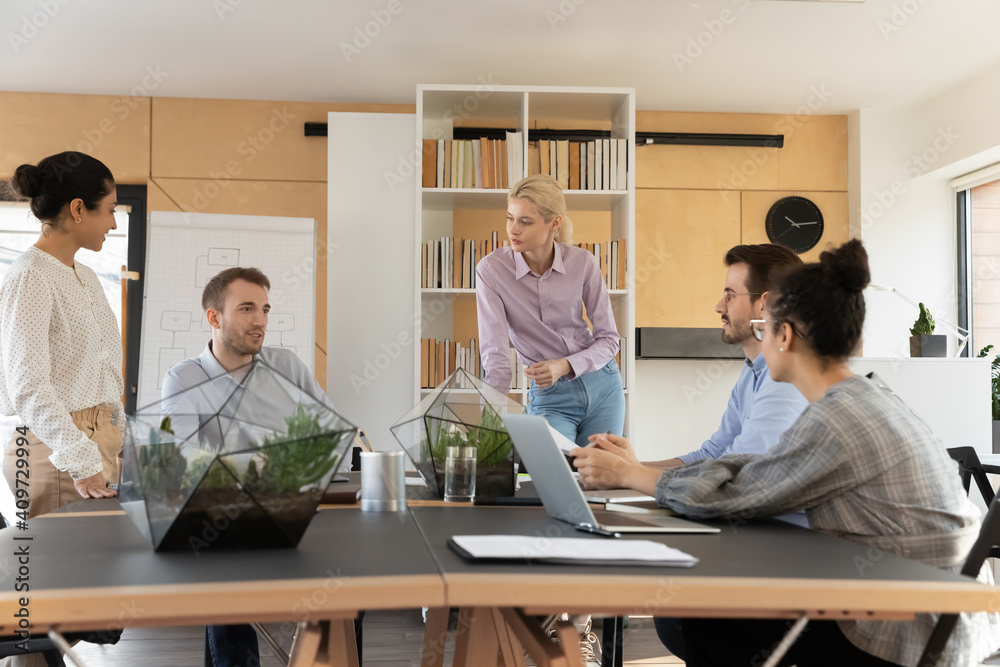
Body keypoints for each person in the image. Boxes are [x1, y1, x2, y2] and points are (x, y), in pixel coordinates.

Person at [572, 240, 997, 666]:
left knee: (700, 618)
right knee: (705, 615)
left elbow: (740, 491)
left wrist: (630, 475)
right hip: (925, 614)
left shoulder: (836, 418)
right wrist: (634, 470)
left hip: (907, 633)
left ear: (785, 335)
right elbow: (747, 467)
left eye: (766, 329)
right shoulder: (858, 398)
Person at [160, 267, 358, 667]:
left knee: (351, 585)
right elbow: (180, 461)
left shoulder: (287, 365)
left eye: (265, 310)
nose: (260, 321)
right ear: (214, 317)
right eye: (247, 308)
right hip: (229, 524)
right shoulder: (183, 379)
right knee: (227, 589)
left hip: (300, 516)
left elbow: (335, 433)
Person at [638, 243, 809, 660]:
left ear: (764, 305)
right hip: (762, 543)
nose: (719, 305)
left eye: (730, 295)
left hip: (792, 559)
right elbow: (715, 452)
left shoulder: (785, 381)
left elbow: (740, 478)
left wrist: (632, 478)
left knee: (682, 615)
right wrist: (631, 466)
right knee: (676, 609)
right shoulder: (753, 374)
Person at [0, 152, 123, 520]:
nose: (114, 222)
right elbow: (28, 387)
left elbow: (100, 374)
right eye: (110, 210)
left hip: (94, 447)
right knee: (68, 559)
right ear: (78, 209)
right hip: (61, 451)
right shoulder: (32, 277)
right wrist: (82, 460)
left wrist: (118, 434)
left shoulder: (86, 276)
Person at [476, 174, 624, 447]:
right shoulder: (492, 271)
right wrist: (488, 424)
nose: (513, 230)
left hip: (604, 388)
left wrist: (564, 365)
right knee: (549, 470)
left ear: (554, 222)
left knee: (601, 472)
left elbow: (609, 340)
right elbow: (496, 357)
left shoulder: (583, 263)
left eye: (525, 221)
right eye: (510, 218)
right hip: (550, 399)